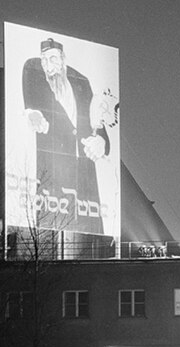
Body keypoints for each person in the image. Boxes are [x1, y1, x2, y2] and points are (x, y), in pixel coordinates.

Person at [22, 38, 110, 233]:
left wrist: (101, 140)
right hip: (53, 173)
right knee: (50, 227)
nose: (48, 66)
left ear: (63, 60)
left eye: (53, 59)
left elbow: (96, 121)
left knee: (90, 230)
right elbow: (30, 86)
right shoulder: (34, 72)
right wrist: (32, 112)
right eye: (44, 60)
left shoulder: (82, 82)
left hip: (84, 174)